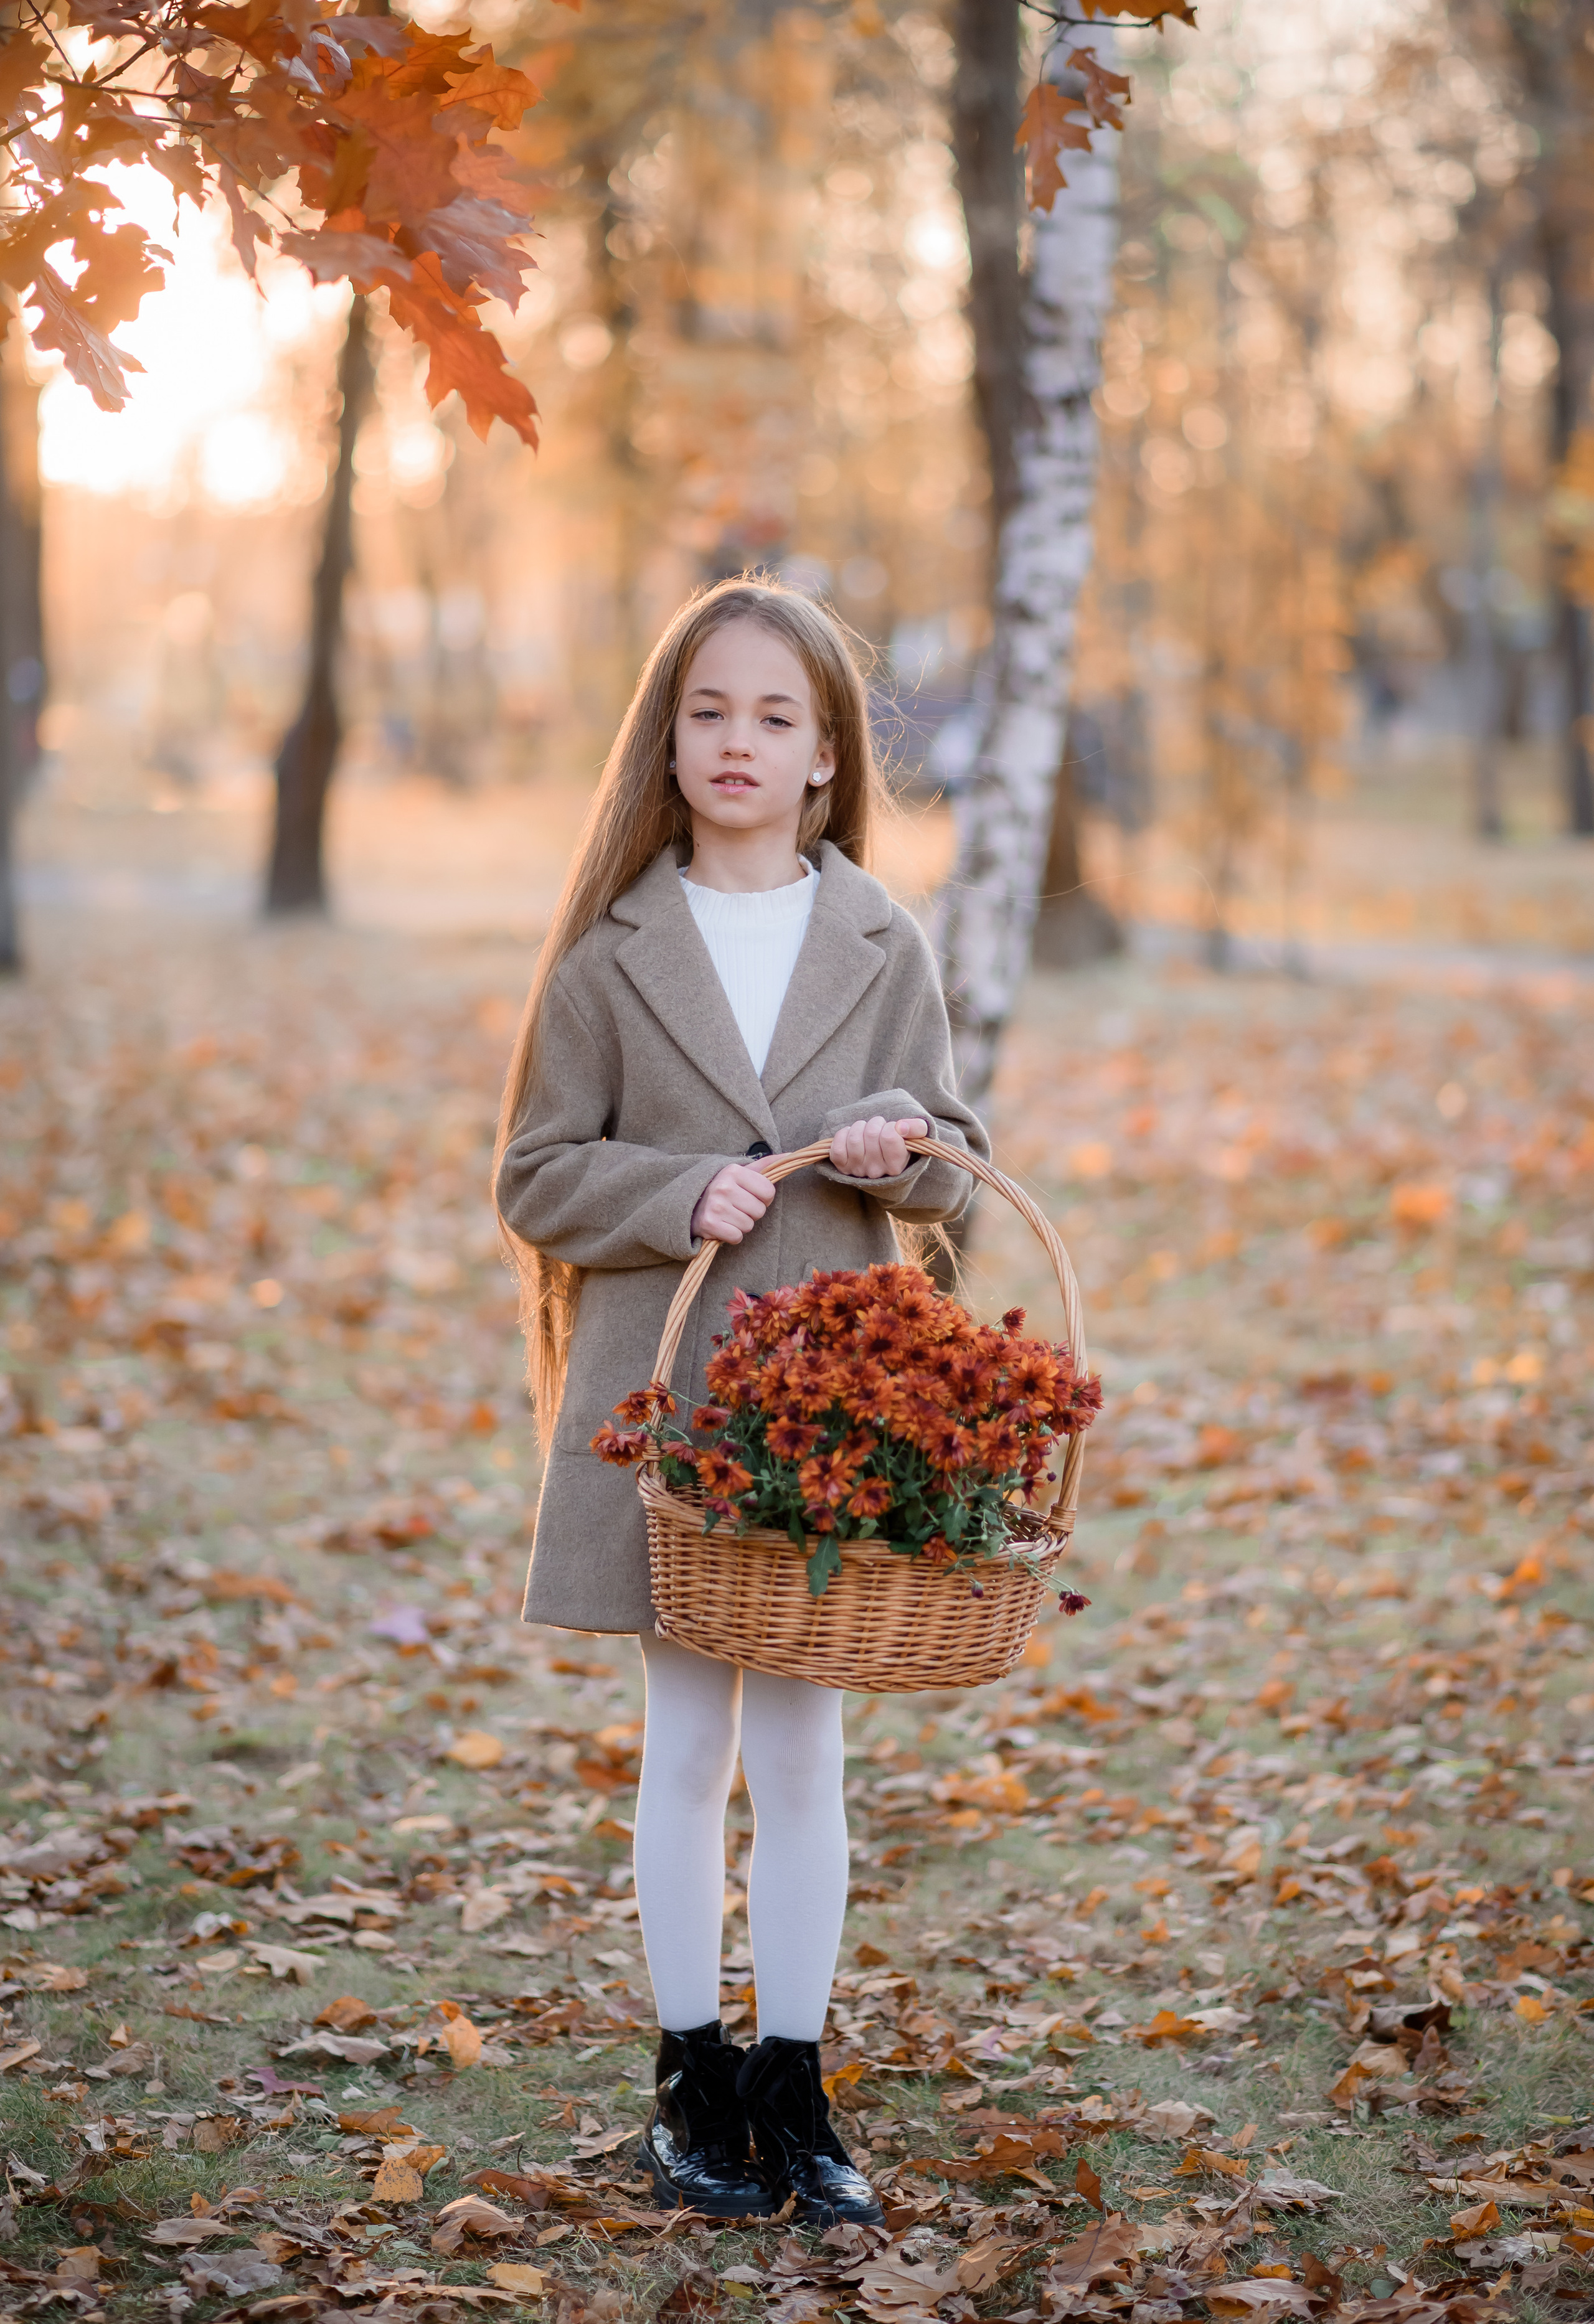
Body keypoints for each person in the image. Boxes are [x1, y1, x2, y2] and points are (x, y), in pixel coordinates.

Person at [493, 576, 989, 2226]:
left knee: (804, 1747)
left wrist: (904, 1143)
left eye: (778, 717)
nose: (738, 742)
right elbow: (536, 1175)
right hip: (668, 1410)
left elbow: (964, 1184)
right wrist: (672, 1193)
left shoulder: (876, 942)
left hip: (834, 1427)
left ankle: (794, 2073)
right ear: (668, 731)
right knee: (687, 1741)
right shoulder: (613, 946)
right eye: (710, 710)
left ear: (829, 758)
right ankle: (688, 2070)